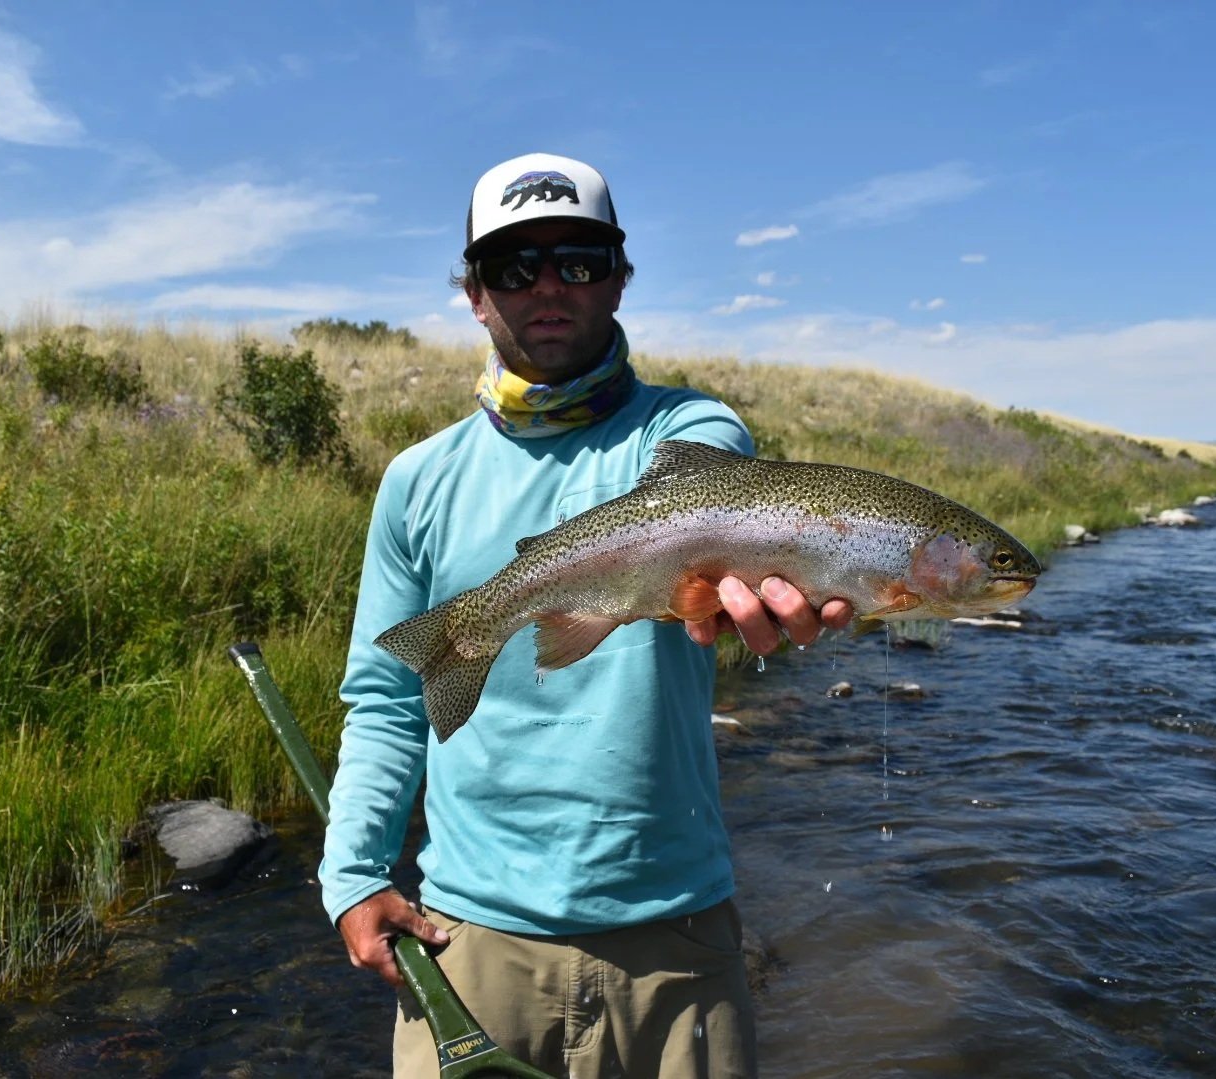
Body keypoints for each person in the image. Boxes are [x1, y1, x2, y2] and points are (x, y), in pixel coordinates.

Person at [320, 152, 853, 1078]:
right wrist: (355, 875)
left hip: (673, 936)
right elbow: (384, 699)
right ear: (475, 294)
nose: (547, 287)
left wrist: (746, 587)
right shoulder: (417, 481)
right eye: (513, 267)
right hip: (467, 937)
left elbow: (713, 492)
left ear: (619, 277)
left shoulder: (687, 432)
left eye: (578, 259)